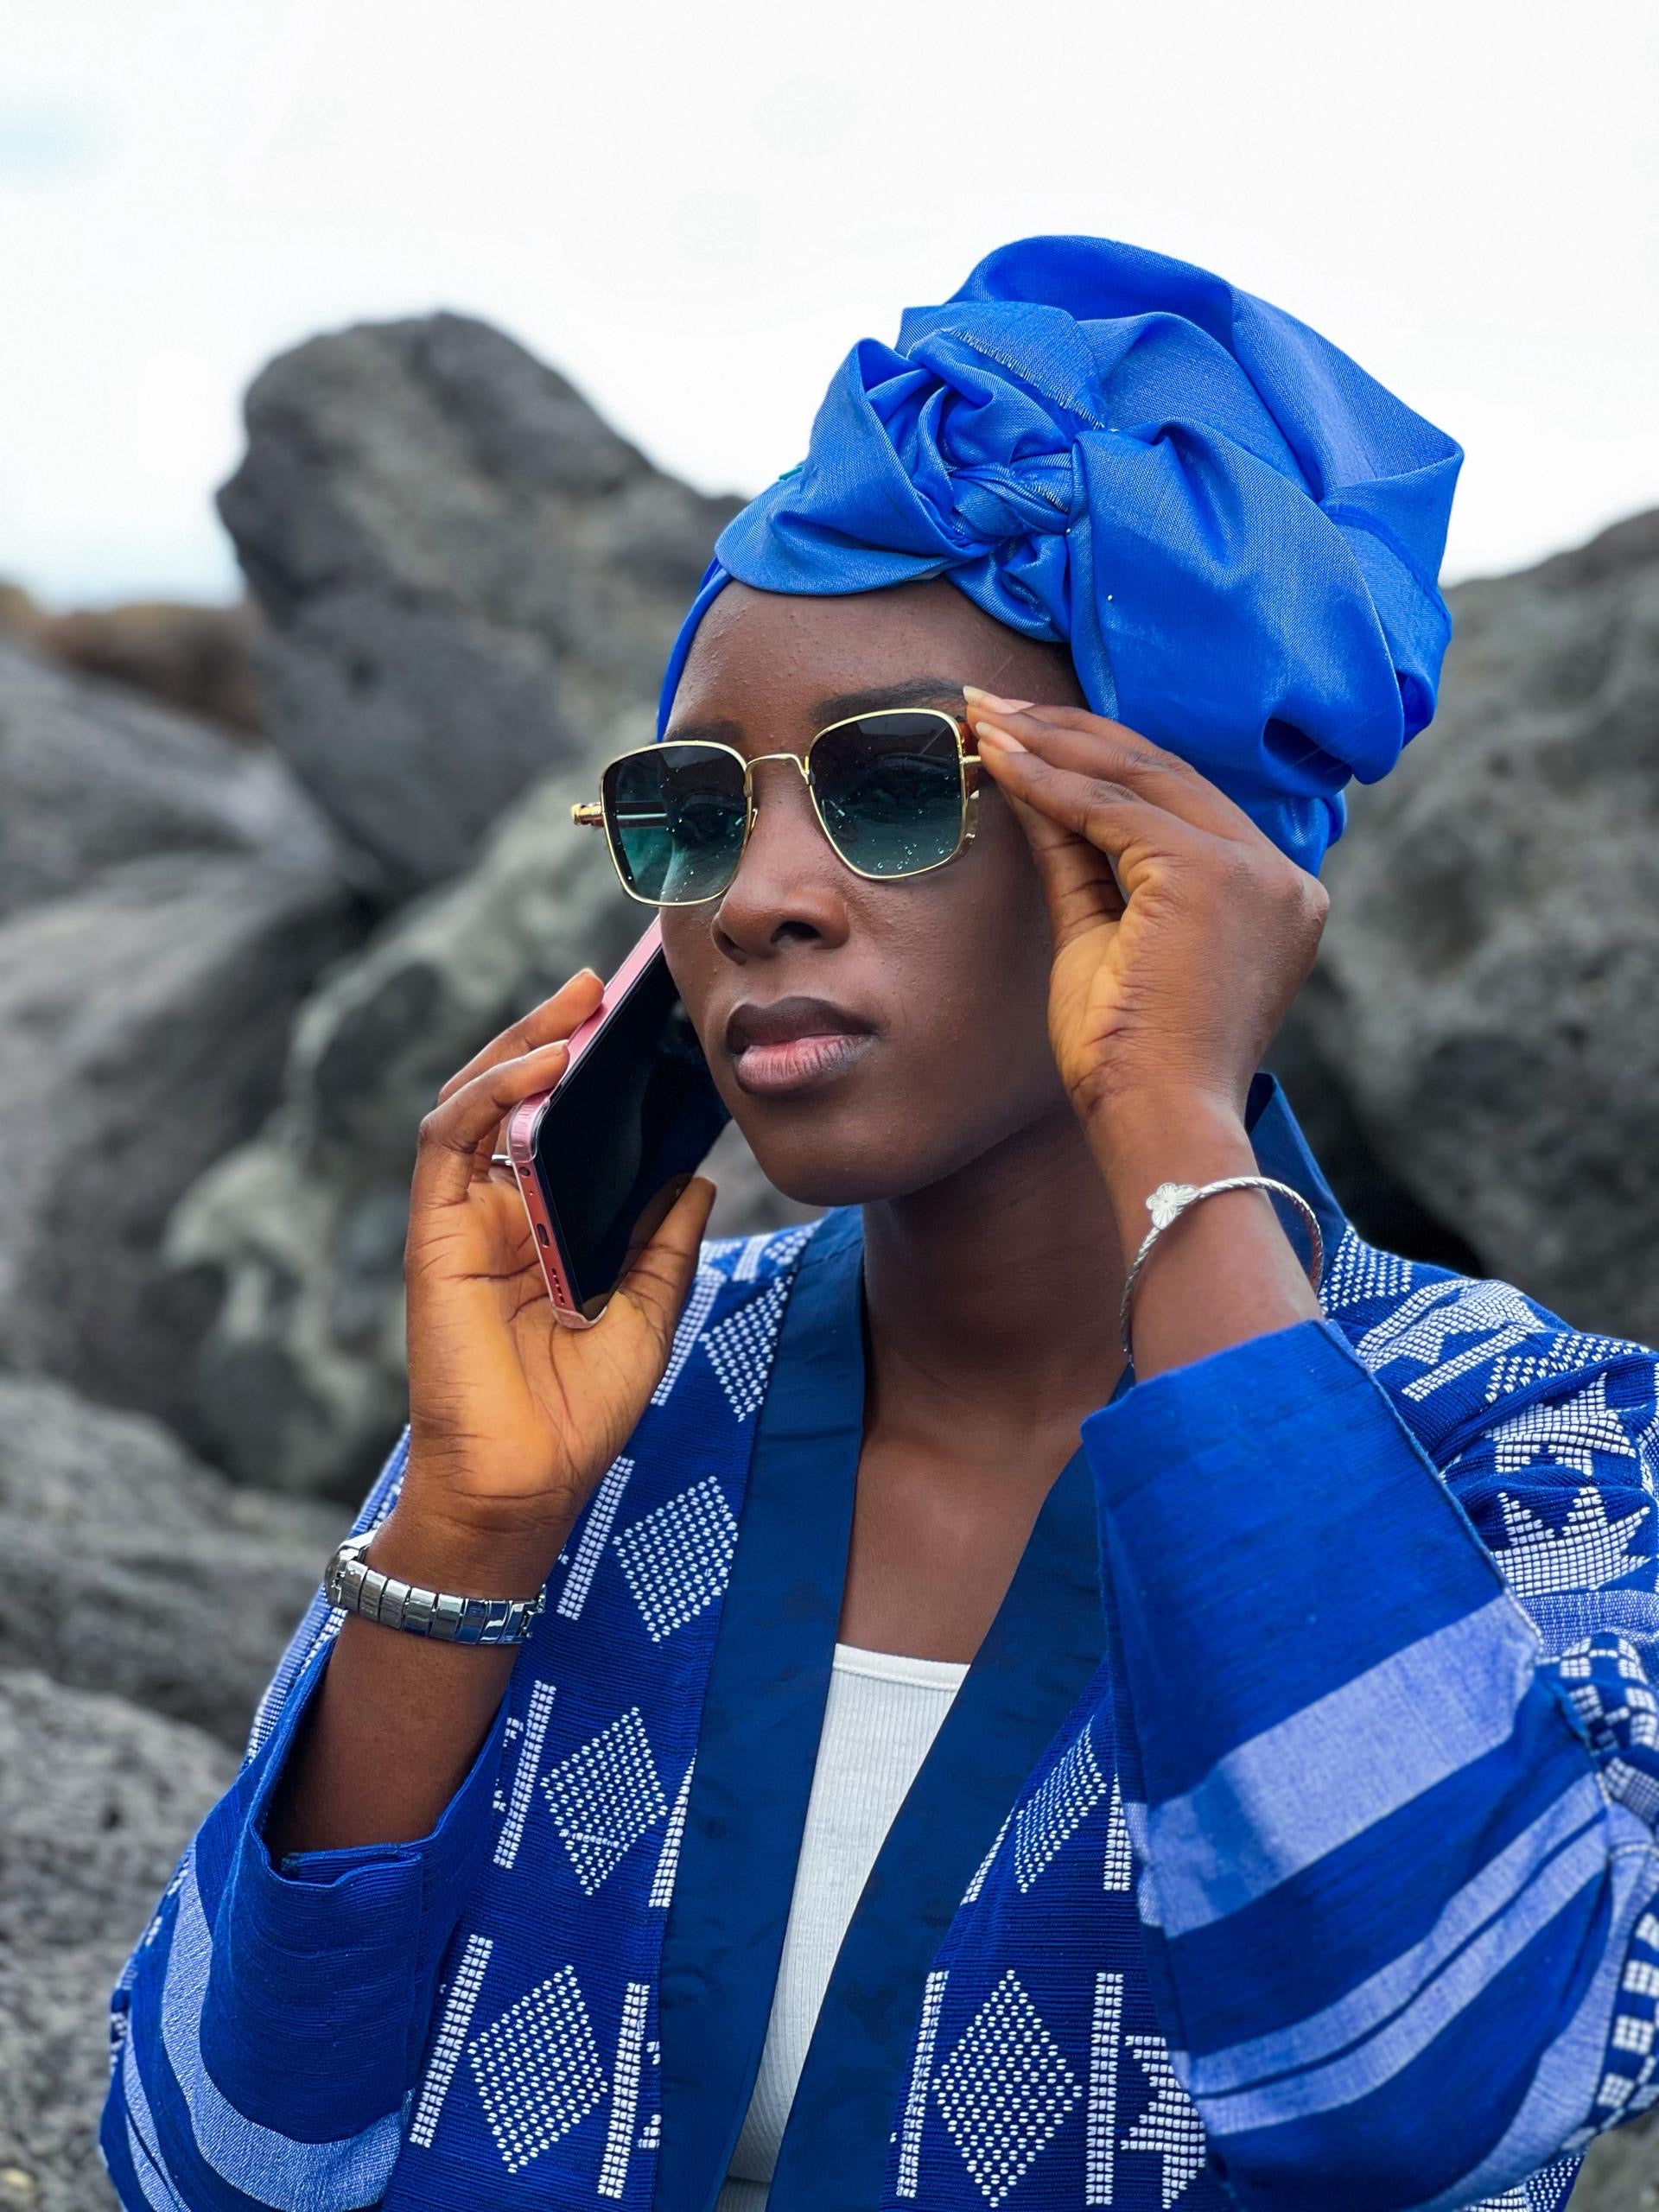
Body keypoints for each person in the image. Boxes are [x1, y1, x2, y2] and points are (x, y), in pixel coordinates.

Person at [102, 238, 1659, 2212]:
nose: (756, 892)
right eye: (694, 803)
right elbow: (200, 2163)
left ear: (1171, 858)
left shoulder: (1545, 1454)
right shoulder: (614, 1416)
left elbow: (1426, 2079)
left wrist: (1175, 1132)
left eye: (891, 783)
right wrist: (470, 1529)